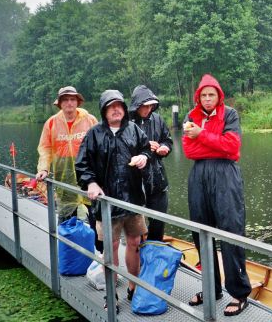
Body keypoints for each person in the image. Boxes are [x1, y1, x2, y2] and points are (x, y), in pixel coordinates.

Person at [182, 74, 251, 317]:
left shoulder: (229, 114)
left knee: (230, 231)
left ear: (218, 96)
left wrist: (201, 135)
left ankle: (239, 293)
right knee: (201, 231)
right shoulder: (191, 116)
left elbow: (232, 147)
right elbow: (189, 151)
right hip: (199, 175)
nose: (208, 99)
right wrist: (213, 141)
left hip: (226, 176)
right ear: (198, 97)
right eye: (204, 95)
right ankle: (212, 289)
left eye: (212, 95)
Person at [75, 89, 151, 307]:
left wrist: (144, 157)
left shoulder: (134, 130)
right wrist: (90, 182)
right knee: (111, 246)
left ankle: (133, 287)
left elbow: (147, 150)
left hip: (133, 199)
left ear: (125, 109)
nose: (116, 109)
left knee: (135, 243)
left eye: (119, 105)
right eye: (111, 106)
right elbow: (82, 163)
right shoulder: (94, 134)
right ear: (104, 110)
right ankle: (111, 292)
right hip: (107, 202)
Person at [36, 86, 98, 223]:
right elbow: (45, 149)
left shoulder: (90, 120)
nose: (69, 103)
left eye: (72, 99)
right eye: (65, 100)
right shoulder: (51, 123)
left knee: (96, 220)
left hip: (89, 178)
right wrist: (43, 169)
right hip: (64, 180)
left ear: (77, 102)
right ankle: (67, 244)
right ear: (59, 103)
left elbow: (100, 146)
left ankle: (97, 244)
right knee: (66, 221)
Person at [129, 85, 173, 241]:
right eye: (145, 106)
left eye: (151, 106)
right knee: (135, 224)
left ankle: (154, 251)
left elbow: (167, 139)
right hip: (134, 181)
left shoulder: (157, 119)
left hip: (157, 179)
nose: (148, 109)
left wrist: (164, 147)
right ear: (137, 105)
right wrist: (146, 146)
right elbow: (120, 150)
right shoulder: (126, 122)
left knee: (158, 221)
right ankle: (137, 254)